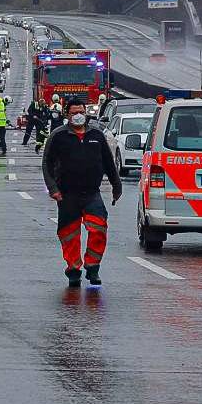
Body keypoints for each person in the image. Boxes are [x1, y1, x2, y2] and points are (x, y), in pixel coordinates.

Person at [42, 98, 122, 287]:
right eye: (74, 113)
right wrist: (53, 189)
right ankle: (73, 270)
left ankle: (93, 268)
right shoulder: (58, 136)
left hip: (92, 194)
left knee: (99, 229)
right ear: (67, 115)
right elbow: (47, 164)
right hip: (67, 194)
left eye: (81, 112)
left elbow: (109, 163)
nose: (78, 116)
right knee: (69, 235)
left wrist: (116, 185)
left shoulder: (97, 135)